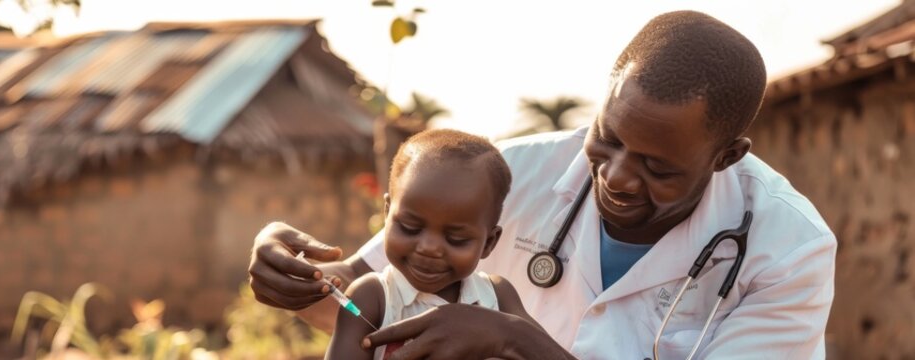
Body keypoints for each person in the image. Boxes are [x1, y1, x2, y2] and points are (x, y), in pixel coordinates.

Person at [248, 10, 836, 359]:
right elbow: (365, 297)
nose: (616, 176)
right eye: (607, 137)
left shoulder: (788, 250)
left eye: (658, 168)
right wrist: (293, 275)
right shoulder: (511, 174)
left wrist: (517, 341)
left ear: (727, 156)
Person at [323, 129, 539, 359]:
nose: (429, 247)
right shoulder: (373, 297)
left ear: (489, 242)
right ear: (387, 214)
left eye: (456, 239)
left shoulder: (497, 296)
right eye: (410, 228)